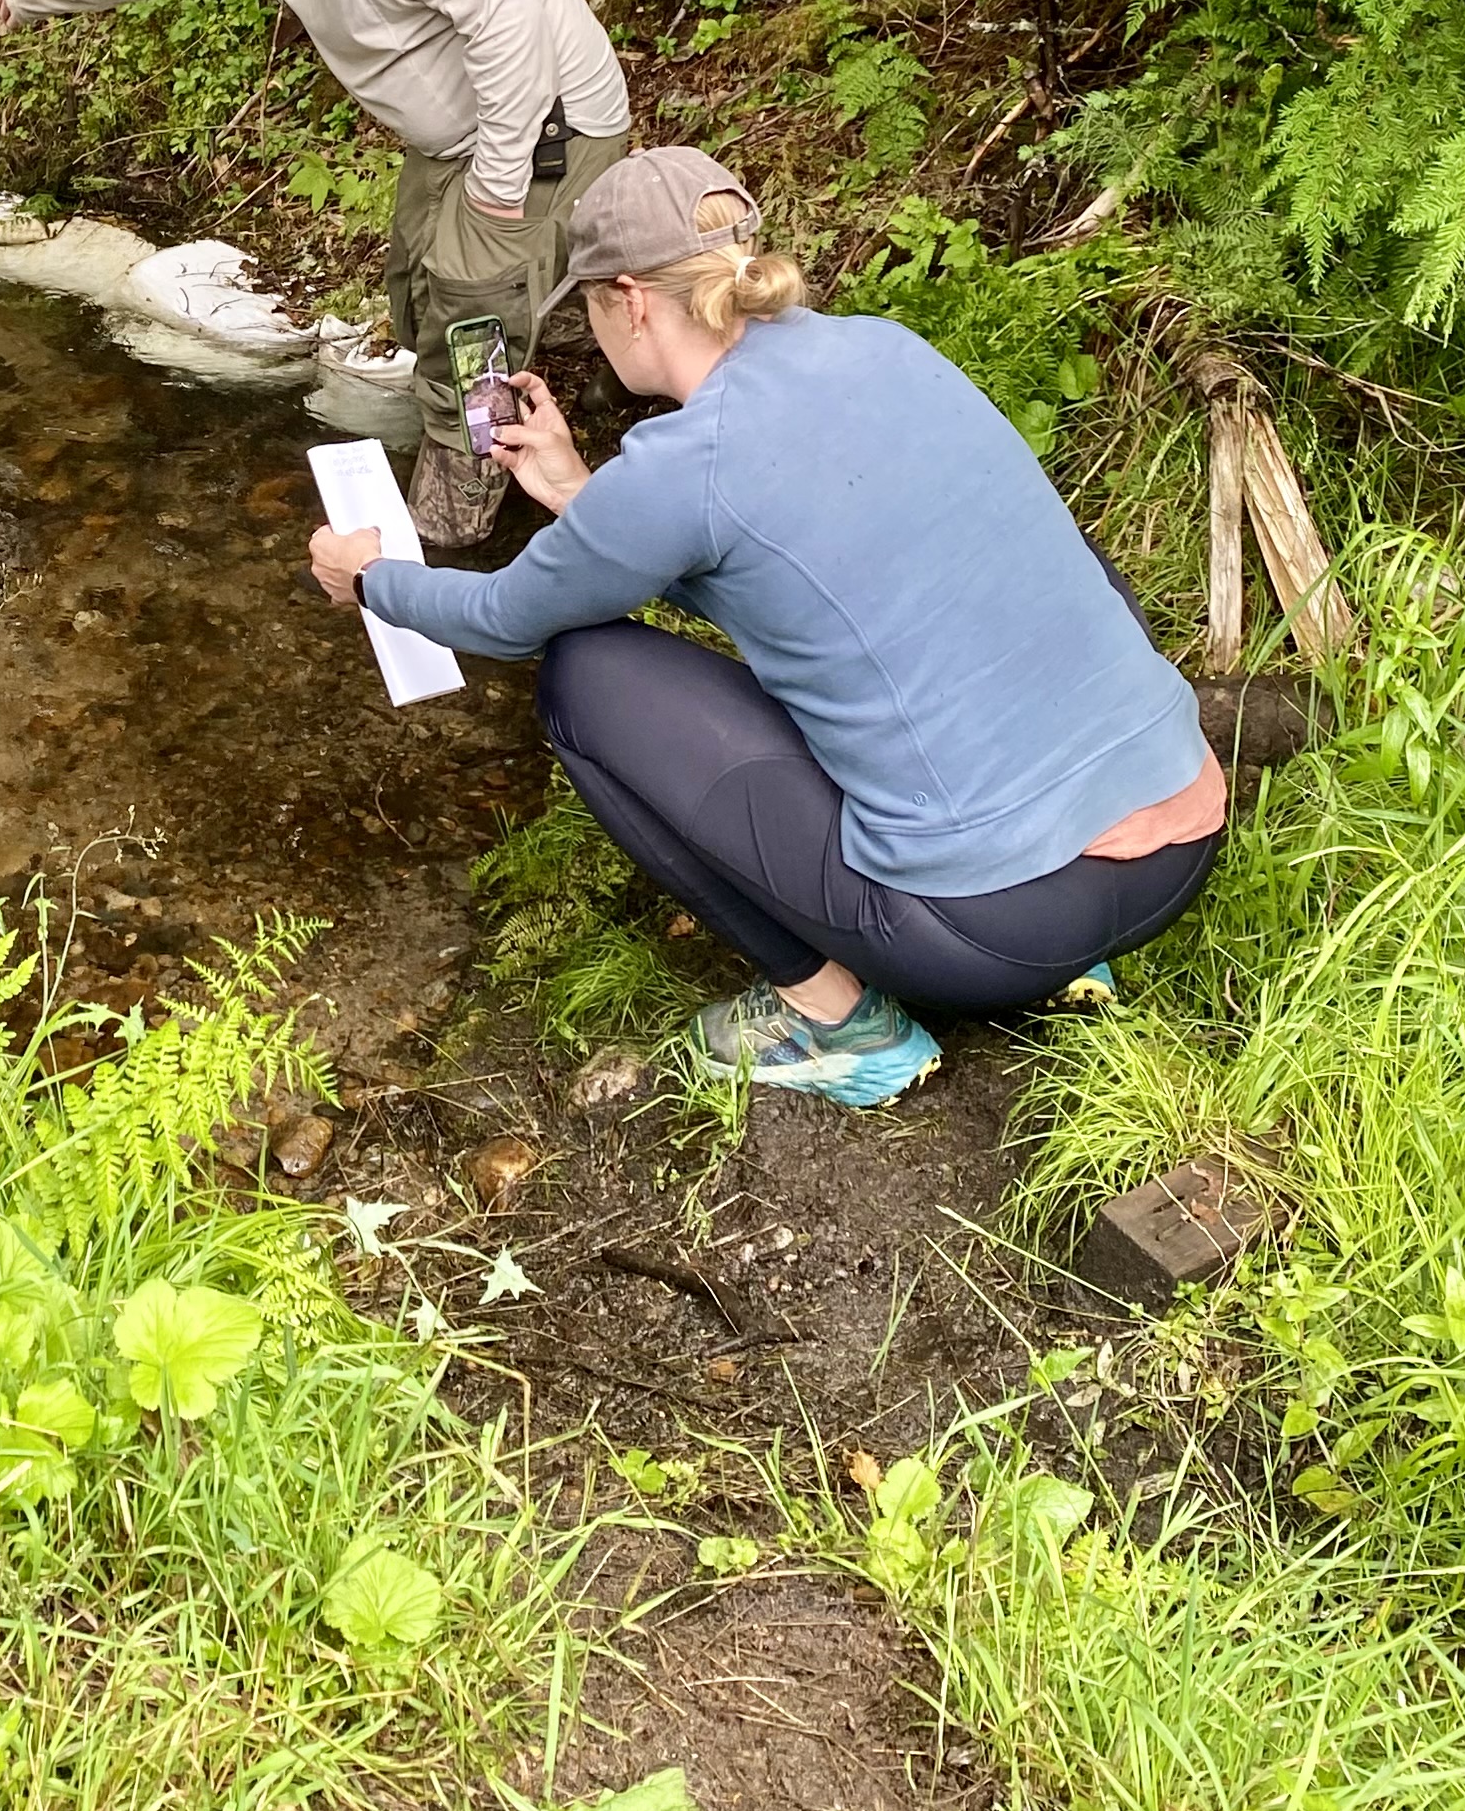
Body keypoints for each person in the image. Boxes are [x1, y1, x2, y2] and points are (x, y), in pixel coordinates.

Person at [306, 147, 1227, 1108]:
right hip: (1179, 847)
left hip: (997, 931)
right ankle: (1080, 969)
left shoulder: (683, 465)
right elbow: (786, 564)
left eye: (588, 304)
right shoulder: (883, 347)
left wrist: (371, 575)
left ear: (630, 300)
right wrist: (580, 491)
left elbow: (501, 619)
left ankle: (837, 1022)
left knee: (586, 674)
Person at [0, 0, 629, 545]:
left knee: (469, 320)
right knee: (414, 288)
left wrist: (500, 187)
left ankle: (457, 518)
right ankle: (601, 342)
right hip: (462, 132)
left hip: (544, 121)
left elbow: (509, 30)